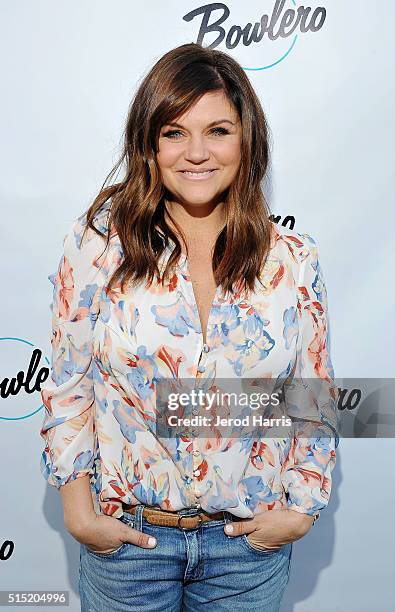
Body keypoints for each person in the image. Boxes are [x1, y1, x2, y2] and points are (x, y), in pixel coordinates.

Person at [39, 42, 339, 612]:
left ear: (247, 140)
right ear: (148, 144)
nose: (196, 152)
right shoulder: (99, 245)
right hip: (129, 546)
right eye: (174, 132)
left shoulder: (293, 258)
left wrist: (300, 510)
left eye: (218, 130)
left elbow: (313, 395)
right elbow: (69, 386)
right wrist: (78, 512)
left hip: (248, 549)